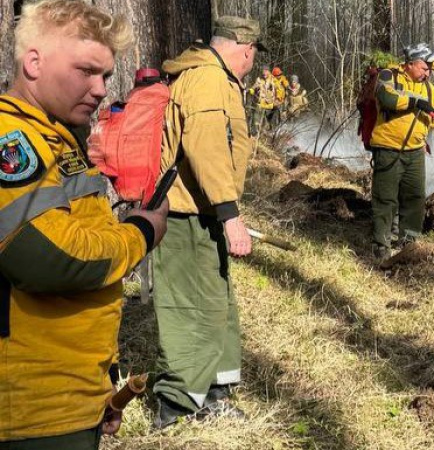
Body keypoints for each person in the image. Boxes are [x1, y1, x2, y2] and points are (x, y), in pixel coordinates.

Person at [0, 1, 169, 448]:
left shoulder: (61, 140)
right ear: (33, 62)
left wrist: (99, 392)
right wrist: (142, 232)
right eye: (85, 71)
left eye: (106, 76)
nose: (98, 89)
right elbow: (46, 256)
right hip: (31, 411)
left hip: (70, 397)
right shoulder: (10, 139)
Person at [152, 15, 264, 429]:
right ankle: (177, 405)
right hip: (183, 215)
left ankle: (212, 393)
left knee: (216, 305)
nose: (252, 62)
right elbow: (206, 150)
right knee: (187, 307)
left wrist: (223, 211)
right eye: (252, 55)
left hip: (202, 212)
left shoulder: (213, 77)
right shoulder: (207, 80)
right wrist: (230, 214)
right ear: (245, 49)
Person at [369, 43, 434, 261]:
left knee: (414, 200)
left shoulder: (428, 89)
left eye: (430, 70)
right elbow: (387, 99)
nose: (428, 73)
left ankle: (409, 247)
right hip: (388, 149)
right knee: (386, 200)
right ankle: (381, 249)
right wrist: (415, 102)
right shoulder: (389, 75)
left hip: (415, 153)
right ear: (411, 63)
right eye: (425, 68)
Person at [248, 65, 276, 132]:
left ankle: (270, 133)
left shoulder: (273, 80)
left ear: (269, 71)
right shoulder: (259, 79)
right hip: (260, 104)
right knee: (256, 121)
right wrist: (252, 89)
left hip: (270, 105)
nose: (264, 73)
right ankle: (257, 133)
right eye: (263, 71)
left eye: (266, 71)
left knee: (269, 123)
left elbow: (278, 91)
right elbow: (255, 86)